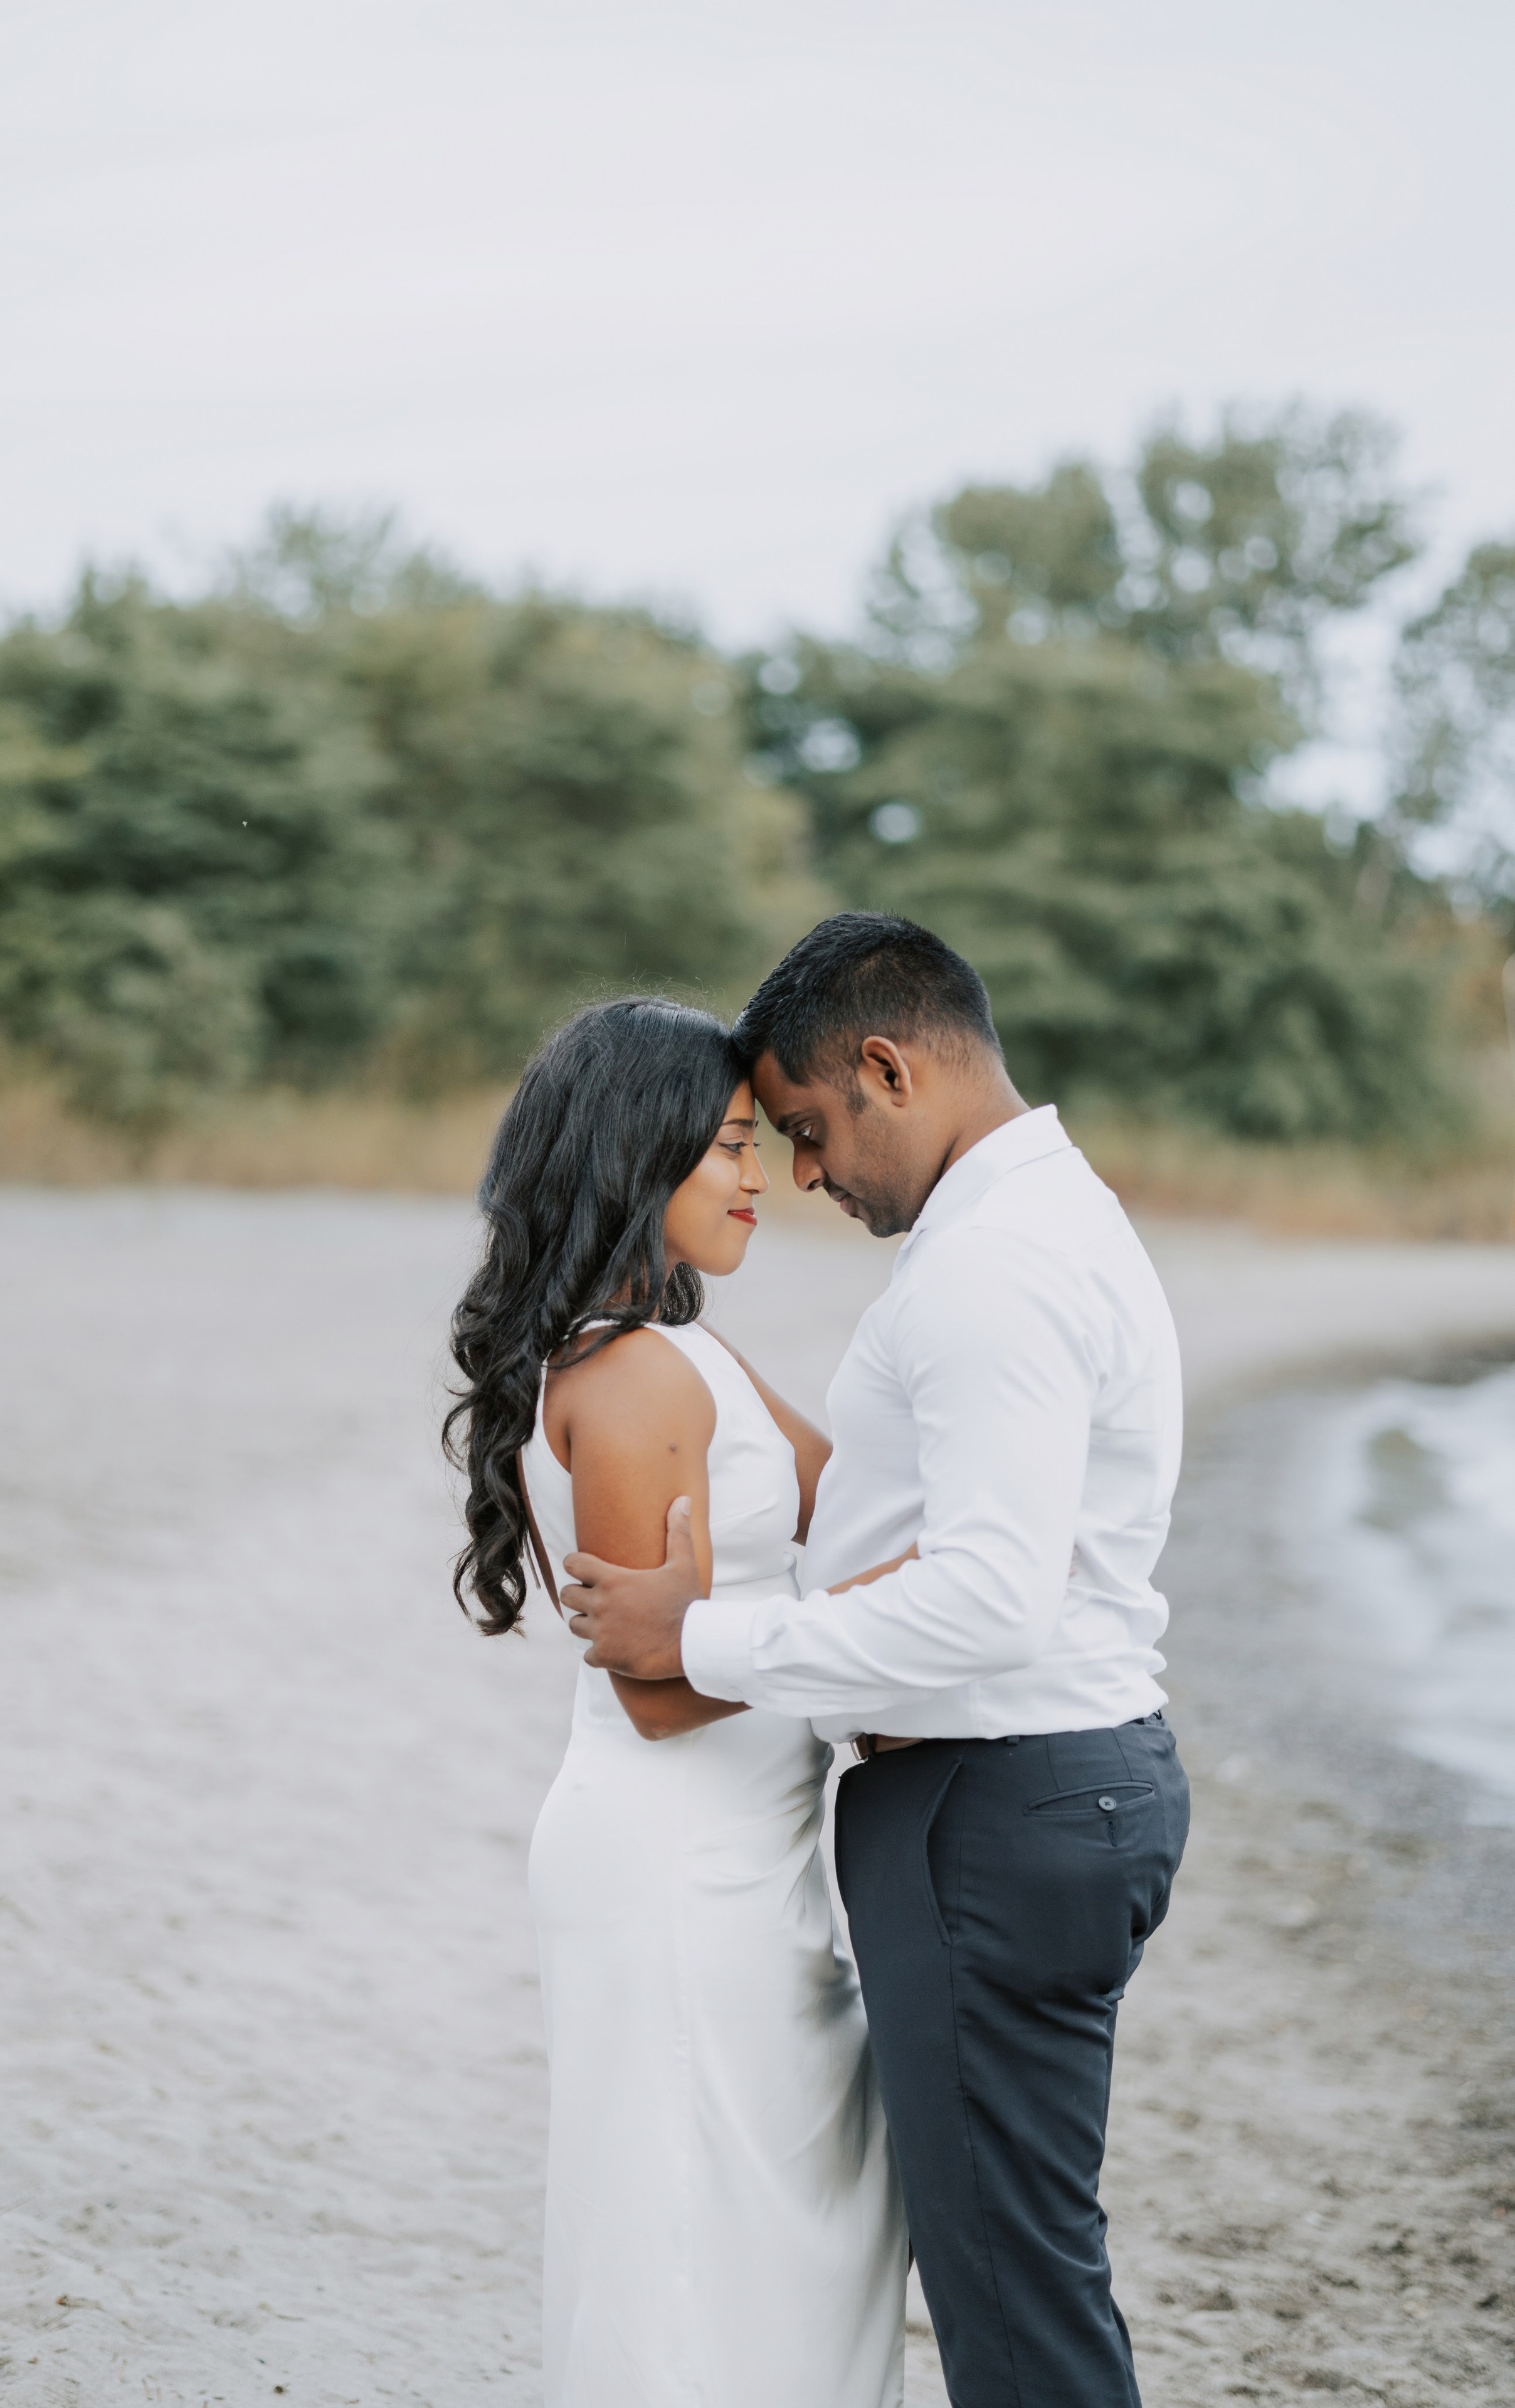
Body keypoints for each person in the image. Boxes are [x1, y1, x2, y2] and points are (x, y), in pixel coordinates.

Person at [561, 914, 1191, 2408]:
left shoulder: (994, 1270)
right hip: (1035, 1795)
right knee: (1014, 2261)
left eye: (800, 1128)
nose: (799, 1176)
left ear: (888, 1067)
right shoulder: (1037, 1225)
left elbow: (989, 1603)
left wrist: (692, 1632)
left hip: (1000, 1806)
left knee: (1009, 2291)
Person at [445, 996, 907, 2408]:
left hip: (754, 1851)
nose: (757, 1176)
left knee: (780, 2233)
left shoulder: (686, 1350)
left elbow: (860, 1511)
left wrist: (808, 1618)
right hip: (676, 1859)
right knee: (687, 2243)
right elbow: (659, 1690)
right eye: (722, 1148)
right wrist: (857, 1647)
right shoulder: (633, 1374)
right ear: (632, 1158)